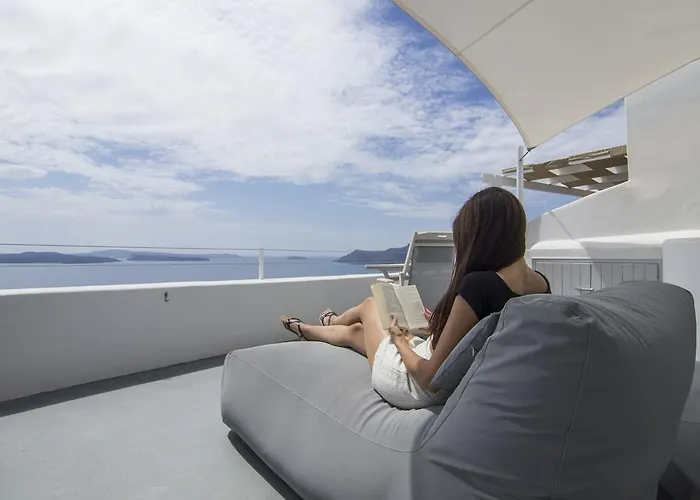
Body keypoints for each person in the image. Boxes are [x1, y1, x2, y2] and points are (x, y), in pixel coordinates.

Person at [279, 187, 551, 409]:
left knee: (371, 305)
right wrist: (439, 326)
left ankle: (330, 321)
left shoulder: (479, 285)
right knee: (357, 333)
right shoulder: (540, 284)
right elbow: (480, 338)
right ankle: (309, 329)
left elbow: (429, 379)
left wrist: (399, 339)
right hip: (456, 376)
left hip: (415, 386)